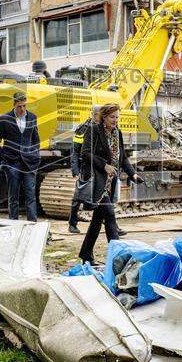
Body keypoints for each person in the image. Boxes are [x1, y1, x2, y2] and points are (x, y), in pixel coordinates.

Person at [77, 103, 141, 264]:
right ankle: (117, 259)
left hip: (110, 183)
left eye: (117, 117)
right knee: (110, 217)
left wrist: (132, 173)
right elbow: (85, 153)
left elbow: (122, 157)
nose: (115, 120)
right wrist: (103, 165)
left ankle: (86, 255)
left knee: (97, 221)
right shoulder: (93, 130)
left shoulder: (117, 133)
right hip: (98, 182)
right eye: (112, 117)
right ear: (104, 117)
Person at [0, 90, 40, 221]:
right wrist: (2, 160)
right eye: (19, 106)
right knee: (13, 196)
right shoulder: (3, 119)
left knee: (30, 195)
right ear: (14, 104)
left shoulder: (32, 117)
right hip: (12, 163)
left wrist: (35, 154)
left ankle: (32, 225)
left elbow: (36, 139)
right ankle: (13, 224)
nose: (22, 109)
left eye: (25, 106)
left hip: (29, 163)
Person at [67, 106, 99, 234]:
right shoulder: (83, 129)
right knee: (78, 198)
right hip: (85, 168)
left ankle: (111, 224)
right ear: (93, 114)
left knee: (104, 198)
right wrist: (75, 169)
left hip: (100, 168)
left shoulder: (106, 129)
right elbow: (75, 151)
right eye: (97, 114)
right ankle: (72, 224)